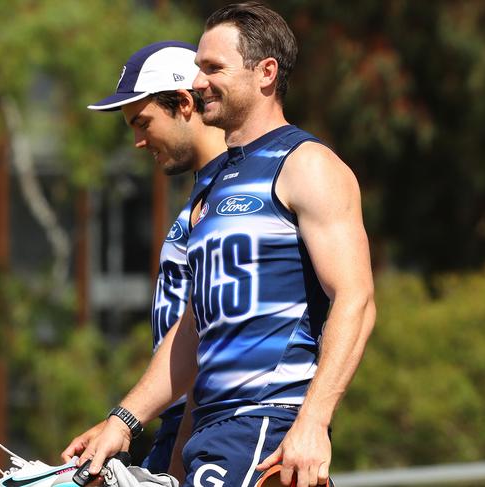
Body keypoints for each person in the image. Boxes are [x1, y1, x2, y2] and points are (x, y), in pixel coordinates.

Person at [80, 3, 376, 487]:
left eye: (213, 68)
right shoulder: (215, 186)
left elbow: (356, 299)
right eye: (198, 68)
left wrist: (313, 422)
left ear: (265, 73)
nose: (198, 83)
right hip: (214, 429)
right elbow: (197, 328)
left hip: (268, 423)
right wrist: (124, 421)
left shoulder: (307, 164)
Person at [60, 41, 227, 480]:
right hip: (181, 430)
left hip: (211, 435)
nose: (137, 141)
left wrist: (175, 462)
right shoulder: (203, 197)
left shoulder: (237, 203)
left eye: (143, 122)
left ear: (185, 104)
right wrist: (123, 423)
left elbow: (211, 337)